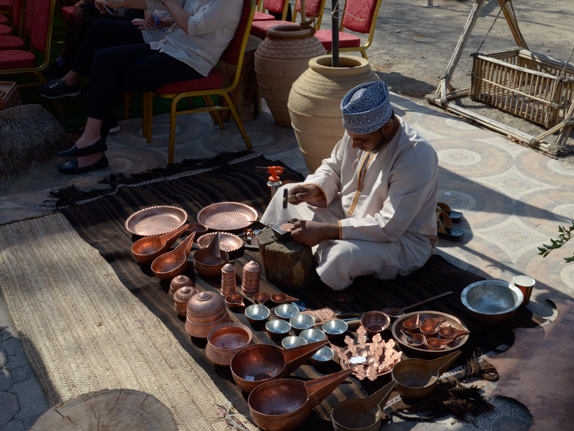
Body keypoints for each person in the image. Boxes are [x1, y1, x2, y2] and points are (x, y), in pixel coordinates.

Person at [260, 81, 440, 291]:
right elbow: (335, 166)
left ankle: (318, 271)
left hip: (401, 241)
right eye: (352, 138)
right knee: (283, 195)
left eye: (361, 140)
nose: (354, 145)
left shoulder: (416, 157)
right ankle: (304, 247)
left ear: (387, 128)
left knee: (340, 256)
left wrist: (328, 230)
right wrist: (315, 188)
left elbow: (389, 226)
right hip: (348, 217)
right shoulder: (360, 131)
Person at [38, 0, 243, 174]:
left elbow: (193, 25)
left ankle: (92, 148)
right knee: (104, 59)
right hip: (168, 46)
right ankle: (91, 140)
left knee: (110, 74)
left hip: (190, 61)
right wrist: (115, 2)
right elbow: (158, 4)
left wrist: (166, 3)